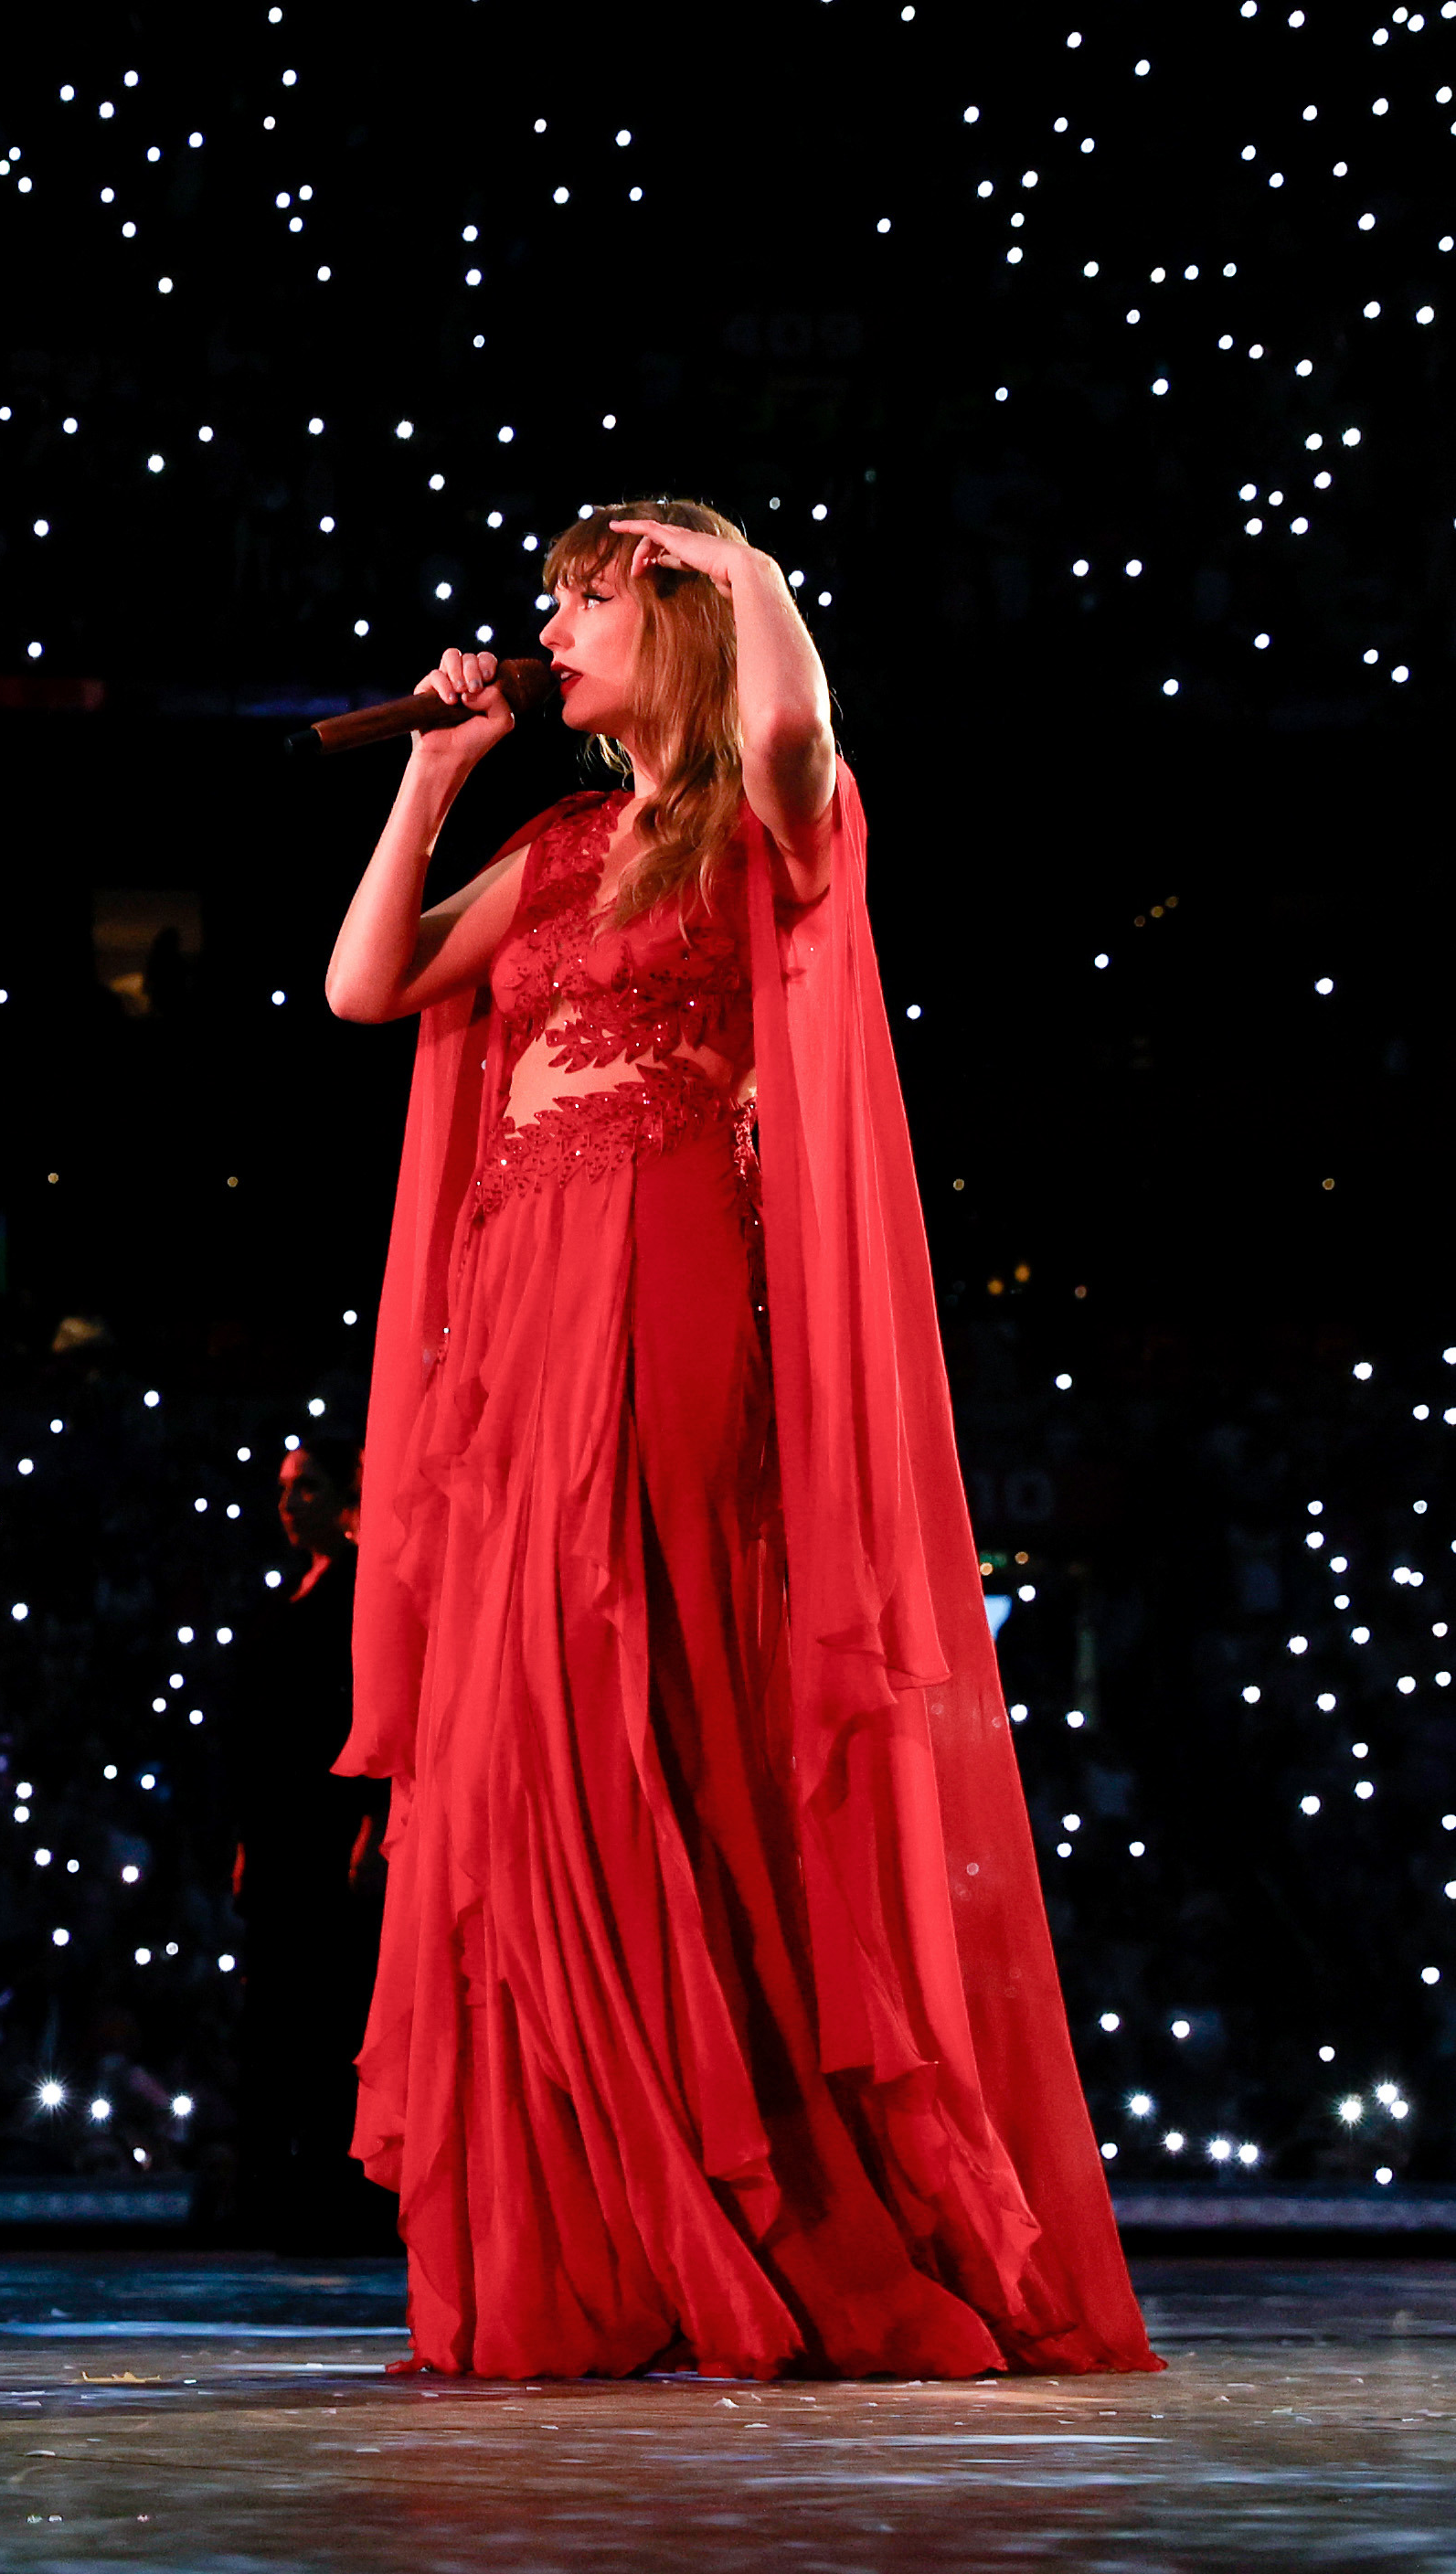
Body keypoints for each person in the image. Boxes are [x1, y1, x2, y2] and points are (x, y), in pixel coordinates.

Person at [314, 498, 1154, 2380]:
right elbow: (365, 989)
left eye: (582, 602)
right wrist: (433, 779)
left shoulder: (764, 828)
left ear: (672, 626)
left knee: (658, 1693)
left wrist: (755, 577)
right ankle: (598, 2204)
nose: (549, 631)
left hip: (676, 1290)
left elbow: (788, 735)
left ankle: (753, 2177)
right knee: (515, 1731)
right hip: (520, 1320)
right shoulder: (549, 846)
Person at [221, 1438, 394, 2250]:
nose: (290, 1503)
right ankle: (280, 2190)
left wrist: (370, 1821)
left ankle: (339, 2191)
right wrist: (250, 1840)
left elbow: (368, 1705)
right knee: (282, 2008)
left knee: (333, 2007)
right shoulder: (296, 1593)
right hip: (284, 1829)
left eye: (307, 1487)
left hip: (331, 1825)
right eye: (284, 1488)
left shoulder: (361, 1588)